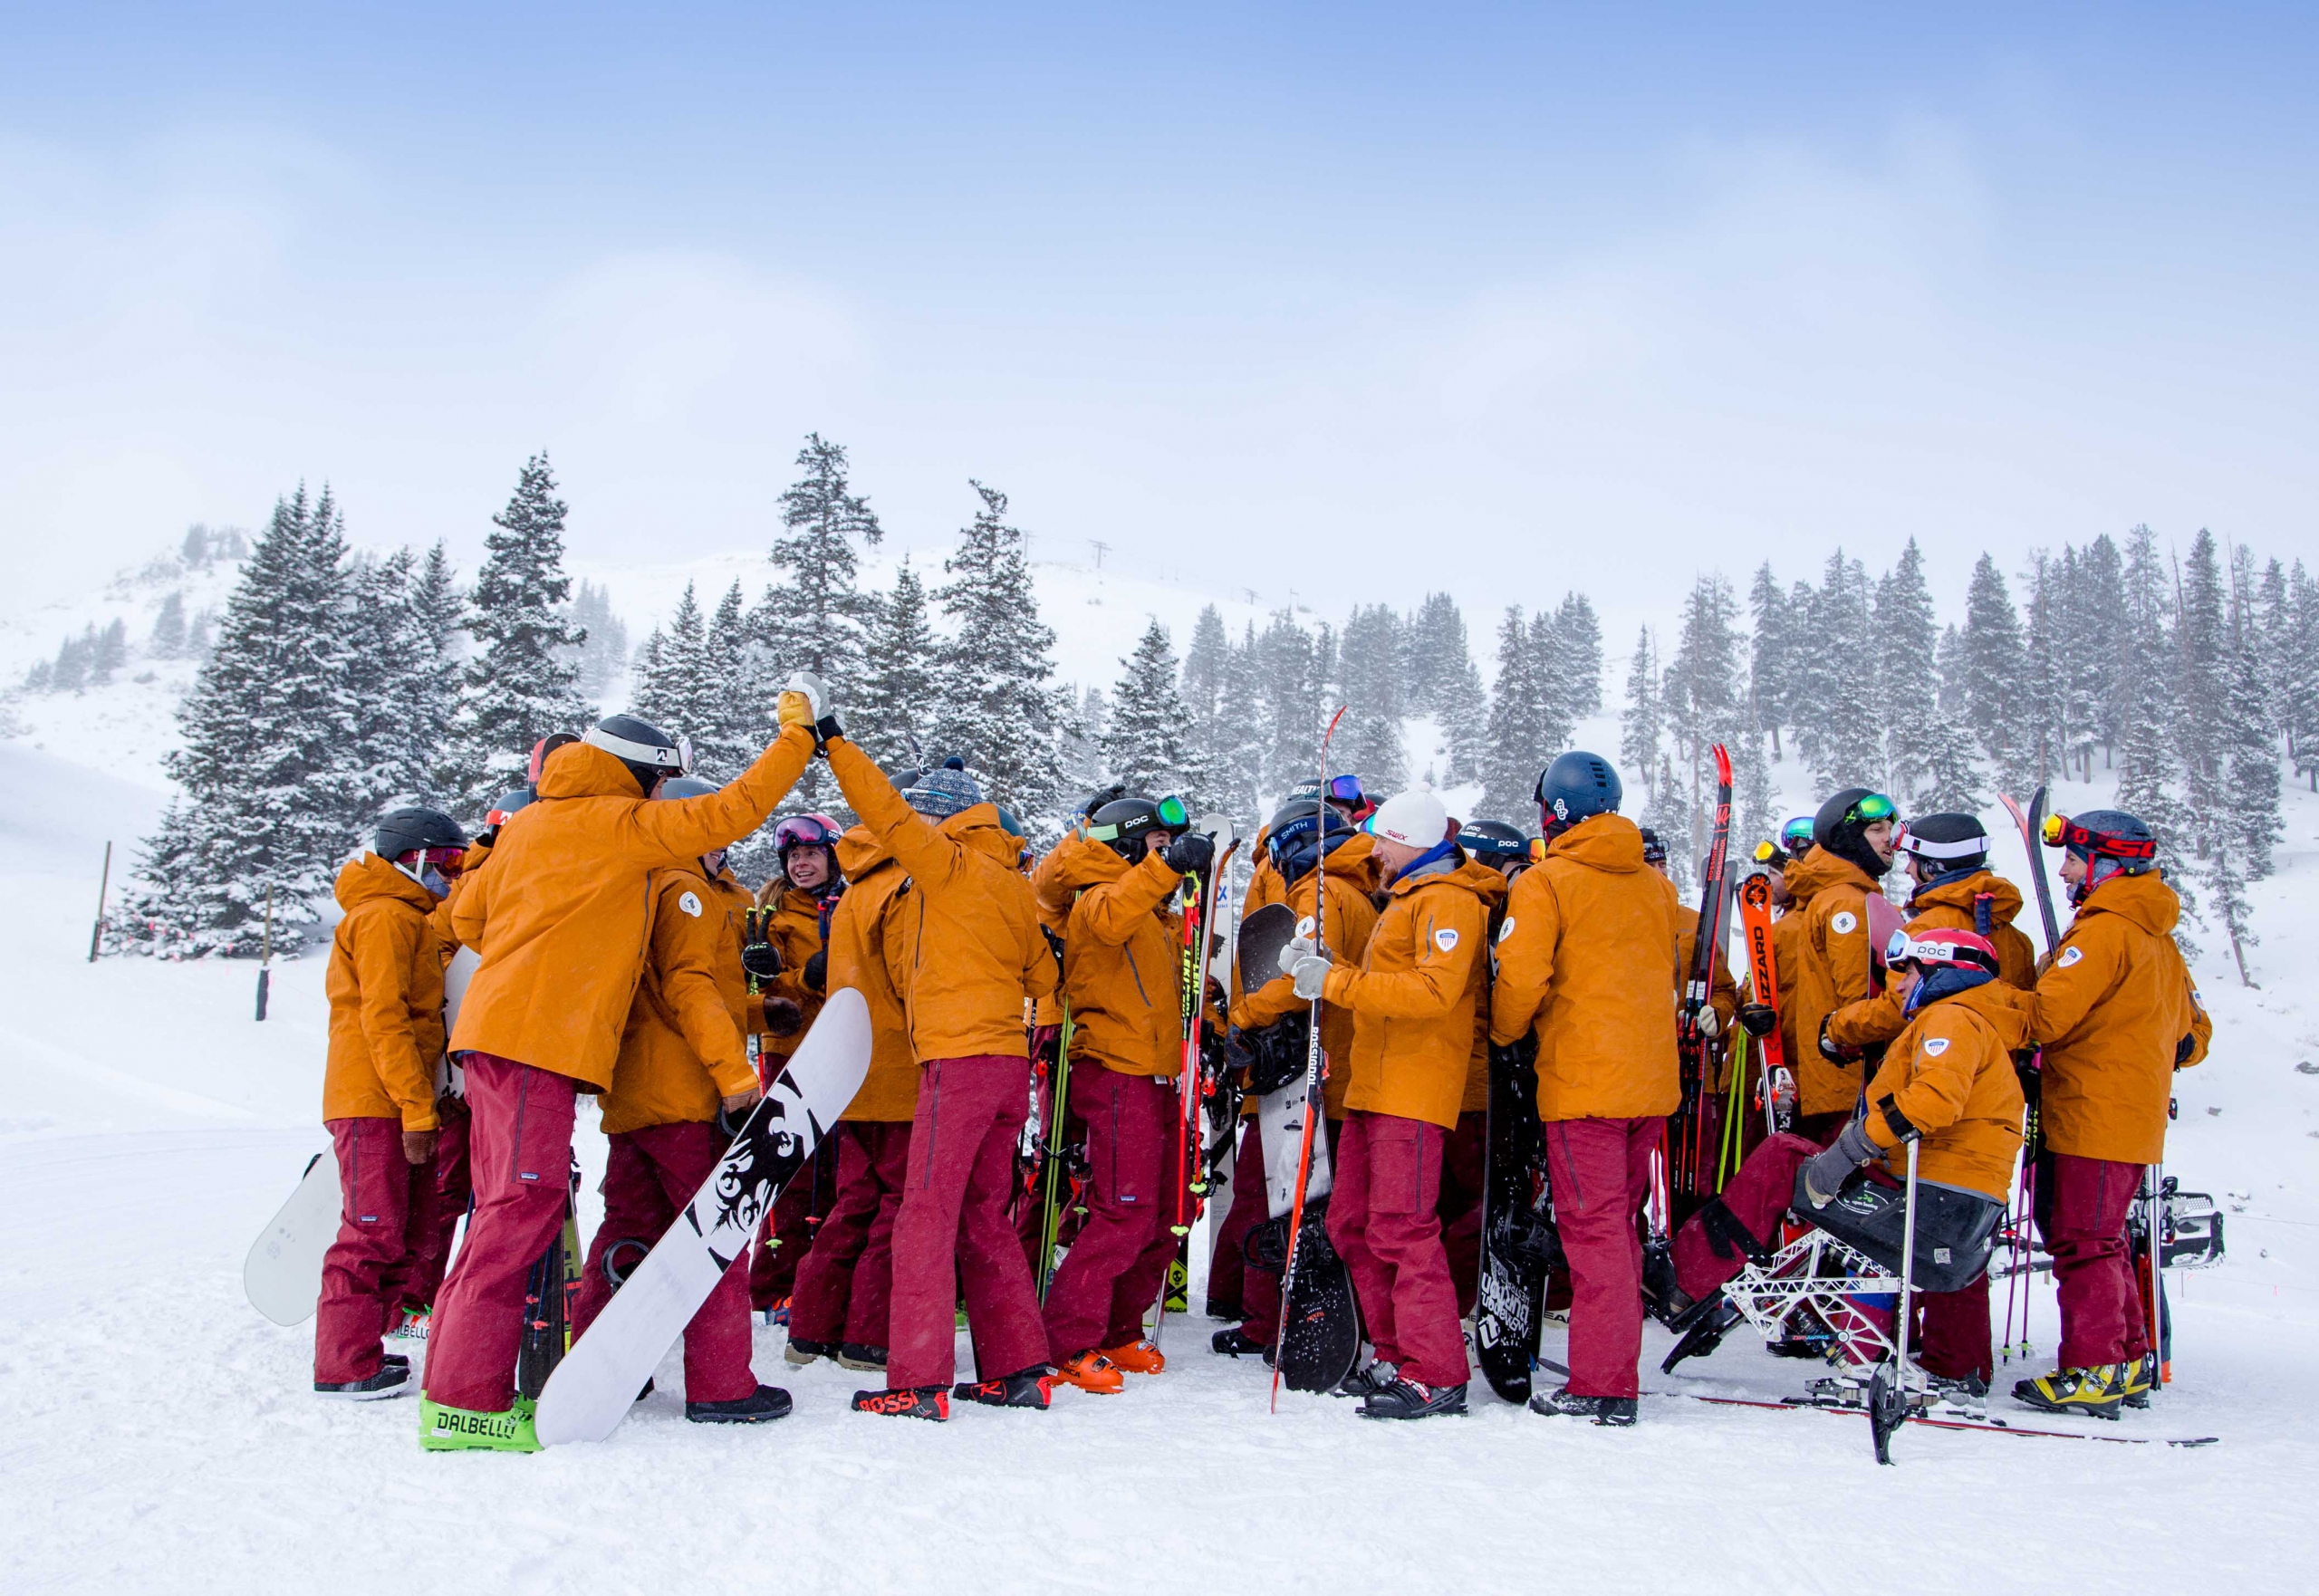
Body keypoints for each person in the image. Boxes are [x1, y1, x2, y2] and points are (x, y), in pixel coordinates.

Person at [420, 707, 817, 1451]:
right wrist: (800, 736)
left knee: (512, 1215)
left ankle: (470, 1391)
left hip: (497, 1041)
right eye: (663, 779)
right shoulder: (622, 825)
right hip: (538, 1041)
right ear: (646, 774)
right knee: (519, 1216)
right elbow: (738, 808)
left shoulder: (534, 823)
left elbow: (469, 919)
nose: (663, 792)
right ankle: (465, 1405)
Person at [807, 680, 1062, 1420]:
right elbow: (1046, 977)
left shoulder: (947, 865)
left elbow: (879, 809)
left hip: (958, 1062)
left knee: (923, 1213)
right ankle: (1017, 1369)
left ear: (943, 821)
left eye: (925, 814)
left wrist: (835, 743)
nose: (911, 823)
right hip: (1008, 1066)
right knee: (983, 1215)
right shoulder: (1014, 883)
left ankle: (916, 1381)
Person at [1664, 928, 2028, 1393]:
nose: (1897, 985)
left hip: (1932, 1200)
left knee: (1780, 1156)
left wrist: (1848, 1152)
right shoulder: (1976, 1023)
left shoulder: (1951, 1021)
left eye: (1909, 972)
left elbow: (1933, 1102)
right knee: (1793, 1160)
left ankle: (1686, 1282)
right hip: (1958, 1204)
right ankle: (1953, 1363)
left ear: (1945, 974)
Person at [570, 778, 796, 1425]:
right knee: (716, 1235)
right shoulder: (688, 892)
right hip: (683, 1099)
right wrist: (736, 1079)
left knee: (627, 1230)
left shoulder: (636, 887)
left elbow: (663, 997)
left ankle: (600, 1358)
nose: (722, 848)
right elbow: (690, 990)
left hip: (634, 1098)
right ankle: (721, 1384)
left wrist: (754, 1013)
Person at [1287, 789, 1503, 1419]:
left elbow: (1433, 992)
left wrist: (1337, 981)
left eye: (1384, 839)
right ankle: (1395, 1352)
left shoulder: (1448, 902)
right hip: (1373, 1089)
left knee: (1403, 1230)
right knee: (1351, 1223)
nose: (1374, 850)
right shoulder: (1406, 900)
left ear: (1412, 841)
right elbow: (1393, 981)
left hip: (1412, 1092)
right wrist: (1329, 964)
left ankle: (1435, 1371)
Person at [1489, 753, 1680, 1426]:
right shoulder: (1655, 885)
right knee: (1619, 1230)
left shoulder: (1548, 883)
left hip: (1583, 1086)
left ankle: (1603, 1384)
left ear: (1554, 811)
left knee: (1592, 1234)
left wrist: (1505, 1034)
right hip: (1650, 1085)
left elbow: (1519, 982)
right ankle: (1614, 1368)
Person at [2016, 810, 2210, 1418]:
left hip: (2091, 1114)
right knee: (2101, 1239)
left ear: (2106, 865)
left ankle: (2095, 1367)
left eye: (2074, 859)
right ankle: (2121, 1358)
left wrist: (1983, 997)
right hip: (2125, 1116)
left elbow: (2044, 1018)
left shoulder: (2106, 932)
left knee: (2083, 1240)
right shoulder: (2157, 938)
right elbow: (2194, 1036)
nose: (2067, 871)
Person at [1038, 796, 1217, 1390]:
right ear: (1127, 845)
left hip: (1159, 1073)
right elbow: (1115, 914)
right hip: (1116, 1071)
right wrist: (1167, 869)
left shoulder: (1156, 912)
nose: (1168, 860)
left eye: (1171, 851)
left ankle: (1119, 1328)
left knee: (1166, 1212)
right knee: (1126, 1210)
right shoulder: (1094, 901)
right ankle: (1067, 1340)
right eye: (1159, 847)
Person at [1213, 797, 1380, 1360]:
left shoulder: (1321, 891)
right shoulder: (1361, 889)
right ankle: (1314, 1316)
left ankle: (1275, 1321)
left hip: (1311, 1069)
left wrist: (1245, 1015)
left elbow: (1297, 972)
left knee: (1279, 1198)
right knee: (1322, 1201)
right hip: (1348, 1062)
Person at [313, 807, 465, 1399]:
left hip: (397, 1097)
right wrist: (415, 1107)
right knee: (372, 1231)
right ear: (414, 859)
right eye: (446, 863)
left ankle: (366, 1349)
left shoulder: (410, 920)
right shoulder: (383, 918)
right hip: (374, 1100)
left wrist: (432, 1097)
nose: (452, 877)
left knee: (407, 1232)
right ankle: (342, 1364)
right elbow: (386, 1020)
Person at [784, 819, 918, 1371]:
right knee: (895, 1203)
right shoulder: (905, 888)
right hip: (899, 1069)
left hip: (852, 1069)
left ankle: (812, 1329)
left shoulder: (853, 893)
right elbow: (914, 977)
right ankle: (866, 1335)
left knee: (854, 1200)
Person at [1823, 812, 2036, 1058]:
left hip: (1939, 1061)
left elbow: (1899, 1006)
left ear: (1935, 866)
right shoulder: (2015, 937)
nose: (1907, 869)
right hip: (1995, 1075)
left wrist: (1838, 1026)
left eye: (1914, 860)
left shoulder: (1927, 930)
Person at [747, 812, 847, 1319]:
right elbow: (759, 993)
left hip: (844, 1050)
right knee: (788, 1166)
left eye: (810, 854)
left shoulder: (850, 904)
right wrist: (805, 979)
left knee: (836, 1169)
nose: (801, 864)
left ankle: (823, 1277)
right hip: (790, 1051)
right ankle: (773, 1282)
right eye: (793, 857)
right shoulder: (769, 913)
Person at [1784, 788, 1900, 1143]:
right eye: (1876, 830)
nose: (1889, 840)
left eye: (1889, 829)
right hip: (1850, 1077)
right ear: (1850, 838)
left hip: (1835, 1079)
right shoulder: (1847, 904)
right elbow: (1860, 996)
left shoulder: (1838, 895)